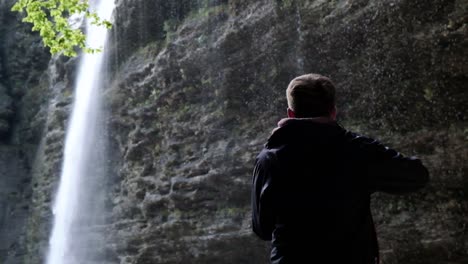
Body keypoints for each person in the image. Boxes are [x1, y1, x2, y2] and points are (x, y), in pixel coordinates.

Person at [251, 73, 429, 264]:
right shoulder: (358, 149)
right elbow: (417, 175)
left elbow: (262, 228)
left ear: (291, 113)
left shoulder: (268, 158)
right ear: (333, 111)